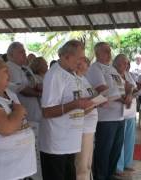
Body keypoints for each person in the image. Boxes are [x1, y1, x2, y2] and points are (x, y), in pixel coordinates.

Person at [40, 40, 94, 180]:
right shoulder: (55, 75)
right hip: (56, 145)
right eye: (79, 58)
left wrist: (88, 105)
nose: (81, 62)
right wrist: (75, 104)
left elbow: (76, 104)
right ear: (67, 56)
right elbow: (47, 112)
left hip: (70, 142)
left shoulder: (72, 74)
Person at [86, 42, 127, 180]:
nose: (109, 54)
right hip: (106, 117)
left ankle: (110, 175)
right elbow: (103, 90)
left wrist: (129, 95)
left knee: (115, 150)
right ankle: (100, 176)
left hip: (120, 116)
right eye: (106, 51)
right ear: (97, 53)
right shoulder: (95, 68)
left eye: (110, 51)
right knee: (104, 150)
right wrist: (123, 97)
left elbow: (123, 87)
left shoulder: (112, 69)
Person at [6, 42, 42, 124]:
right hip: (23, 113)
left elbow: (35, 84)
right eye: (21, 52)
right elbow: (22, 90)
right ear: (11, 55)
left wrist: (39, 87)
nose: (24, 54)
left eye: (24, 51)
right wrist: (39, 94)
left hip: (35, 111)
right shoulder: (8, 68)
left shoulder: (26, 68)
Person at [113, 54, 137, 177]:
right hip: (119, 112)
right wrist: (127, 95)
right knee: (120, 141)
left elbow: (133, 87)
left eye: (127, 63)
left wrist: (131, 94)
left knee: (130, 139)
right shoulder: (113, 75)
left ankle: (127, 163)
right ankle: (118, 166)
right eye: (123, 63)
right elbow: (115, 92)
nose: (126, 65)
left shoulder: (128, 74)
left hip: (130, 111)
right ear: (116, 64)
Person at [75, 57, 98, 180]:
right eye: (86, 62)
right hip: (82, 128)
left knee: (88, 164)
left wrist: (98, 99)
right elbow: (78, 107)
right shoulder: (74, 80)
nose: (88, 65)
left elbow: (91, 96)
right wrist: (94, 103)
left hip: (90, 127)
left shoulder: (84, 79)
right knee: (82, 165)